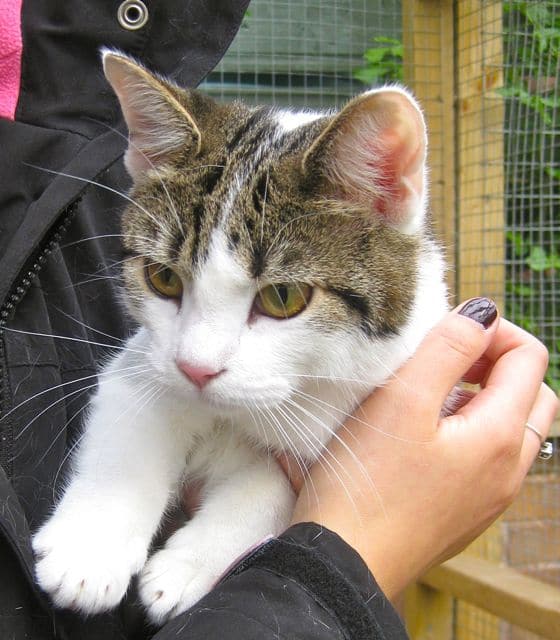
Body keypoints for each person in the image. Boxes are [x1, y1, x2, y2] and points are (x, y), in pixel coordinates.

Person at [0, 1, 557, 638]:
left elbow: (291, 470)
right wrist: (113, 510)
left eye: (282, 297)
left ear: (381, 193)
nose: (197, 357)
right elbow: (139, 388)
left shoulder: (401, 335)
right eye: (166, 281)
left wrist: (246, 523)